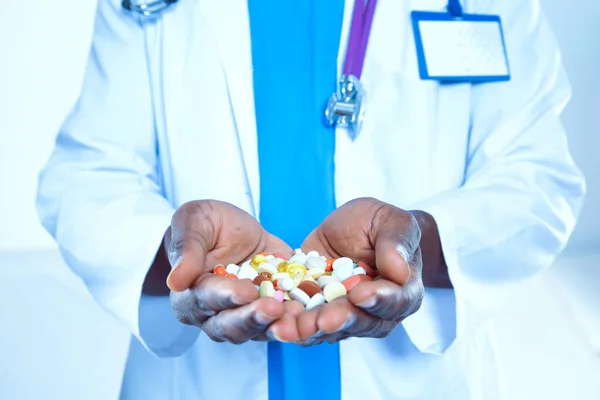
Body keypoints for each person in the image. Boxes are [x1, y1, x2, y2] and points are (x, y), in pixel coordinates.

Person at [36, 0, 585, 399]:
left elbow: (538, 176)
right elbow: (87, 172)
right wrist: (176, 256)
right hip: (199, 383)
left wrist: (421, 243)